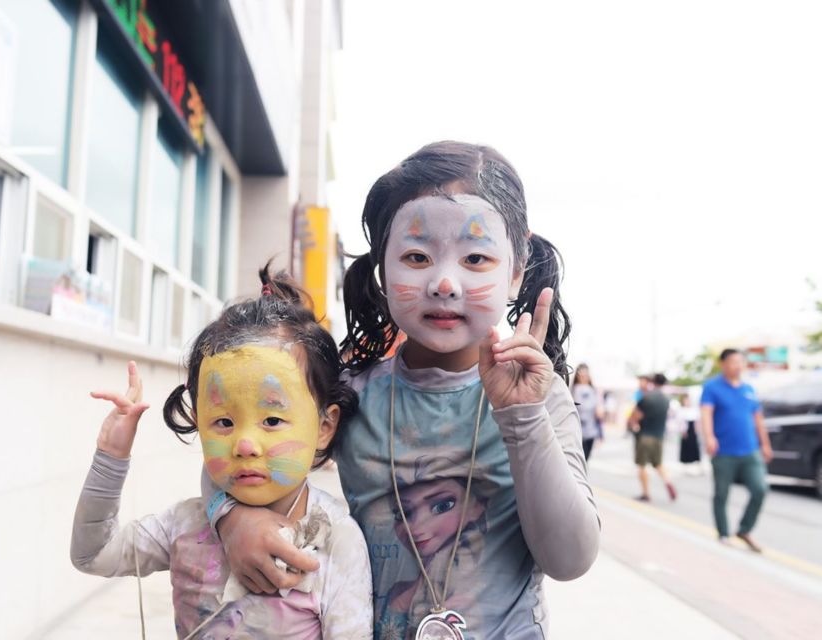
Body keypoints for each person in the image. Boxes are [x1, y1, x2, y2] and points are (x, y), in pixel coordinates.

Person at [208, 141, 600, 638]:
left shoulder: (538, 400)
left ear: (516, 269)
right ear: (383, 270)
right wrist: (231, 517)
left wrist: (521, 418)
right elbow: (231, 452)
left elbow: (570, 559)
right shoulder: (348, 395)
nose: (443, 282)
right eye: (416, 256)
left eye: (476, 258)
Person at [70, 267, 373, 639]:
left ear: (325, 427)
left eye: (273, 419)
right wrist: (111, 458)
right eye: (224, 422)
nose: (245, 445)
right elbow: (93, 555)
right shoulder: (184, 525)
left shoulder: (336, 540)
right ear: (198, 421)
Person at [700, 348, 774, 552]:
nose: (738, 365)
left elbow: (758, 419)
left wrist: (765, 444)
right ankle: (723, 533)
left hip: (750, 451)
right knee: (721, 494)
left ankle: (744, 530)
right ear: (723, 364)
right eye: (733, 361)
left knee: (760, 489)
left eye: (741, 362)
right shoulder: (712, 387)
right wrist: (709, 437)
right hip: (723, 451)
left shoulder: (749, 389)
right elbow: (706, 413)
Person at [628, 373, 677, 501]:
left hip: (645, 436)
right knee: (658, 464)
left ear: (652, 382)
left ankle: (645, 493)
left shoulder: (646, 398)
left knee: (642, 465)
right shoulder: (666, 400)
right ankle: (668, 482)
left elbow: (635, 417)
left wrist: (633, 425)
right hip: (659, 437)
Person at [571, 363, 603, 460]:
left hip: (590, 430)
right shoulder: (572, 390)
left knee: (585, 459)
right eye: (581, 374)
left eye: (586, 374)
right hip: (575, 430)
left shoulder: (593, 390)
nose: (584, 376)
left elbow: (599, 412)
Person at [677, 394, 702, 473]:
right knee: (686, 447)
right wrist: (683, 431)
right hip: (686, 429)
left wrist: (697, 429)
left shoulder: (694, 410)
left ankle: (695, 463)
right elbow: (680, 422)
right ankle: (686, 463)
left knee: (694, 446)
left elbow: (697, 421)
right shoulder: (681, 410)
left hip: (692, 430)